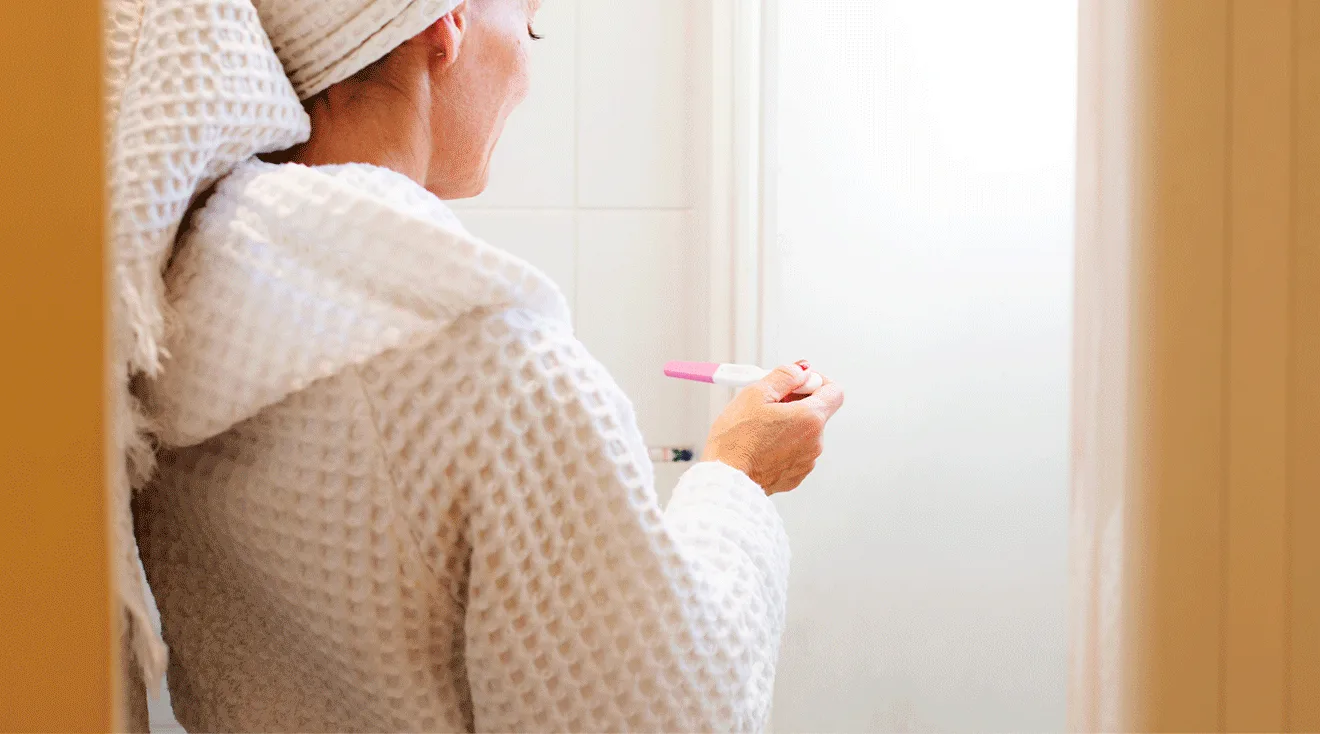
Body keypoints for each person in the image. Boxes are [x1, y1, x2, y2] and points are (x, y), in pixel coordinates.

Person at [107, 0, 845, 731]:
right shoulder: (489, 367)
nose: (526, 74)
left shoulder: (178, 321)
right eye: (531, 26)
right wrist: (739, 476)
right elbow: (668, 714)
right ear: (446, 27)